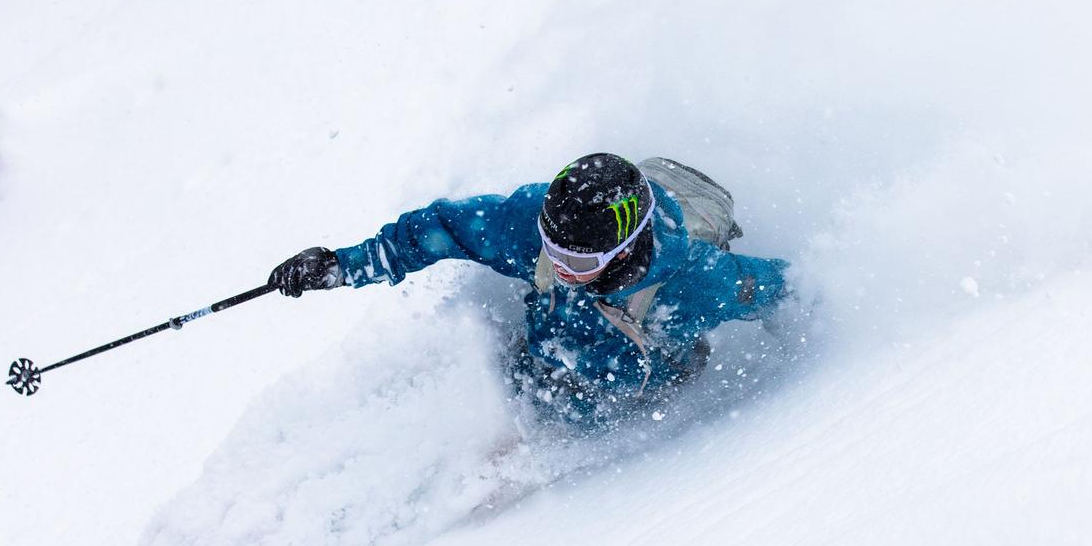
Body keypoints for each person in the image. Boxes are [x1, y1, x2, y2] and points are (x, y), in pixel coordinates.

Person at [269, 153, 790, 424]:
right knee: (544, 349)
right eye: (552, 249)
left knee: (605, 364)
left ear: (625, 250)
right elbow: (442, 228)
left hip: (635, 386)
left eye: (576, 259)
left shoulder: (693, 282)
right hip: (550, 352)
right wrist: (344, 265)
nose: (559, 266)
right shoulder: (531, 224)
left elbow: (781, 289)